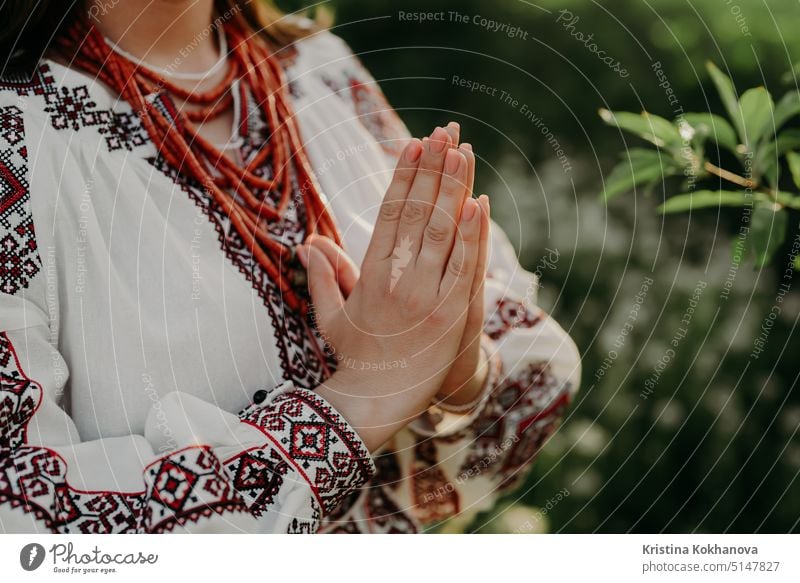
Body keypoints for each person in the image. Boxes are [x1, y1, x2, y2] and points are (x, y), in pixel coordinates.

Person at [0, 0, 581, 533]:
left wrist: (454, 372)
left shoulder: (317, 66)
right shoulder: (17, 137)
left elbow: (533, 378)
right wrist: (360, 398)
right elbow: (23, 521)